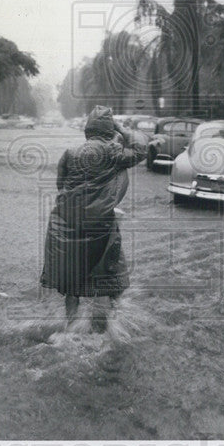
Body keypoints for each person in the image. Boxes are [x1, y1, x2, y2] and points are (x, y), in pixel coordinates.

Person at [40, 105, 145, 330]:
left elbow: (62, 187)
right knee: (107, 279)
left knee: (72, 285)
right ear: (109, 130)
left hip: (64, 226)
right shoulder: (113, 152)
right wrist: (121, 128)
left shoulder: (69, 153)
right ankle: (106, 333)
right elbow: (140, 149)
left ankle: (69, 331)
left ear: (87, 129)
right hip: (99, 227)